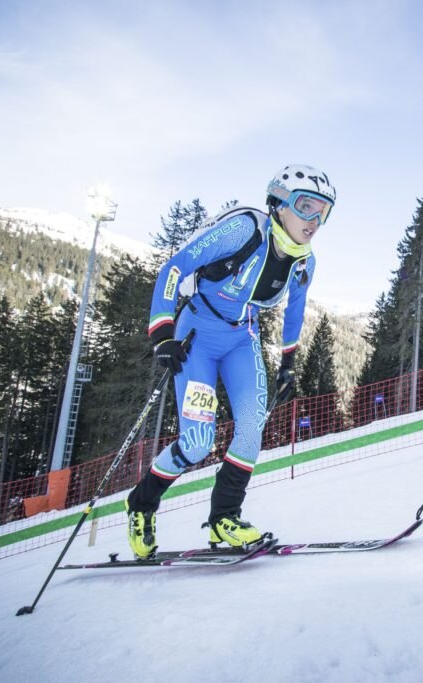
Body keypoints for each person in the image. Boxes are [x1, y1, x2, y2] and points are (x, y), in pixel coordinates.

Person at [125, 164, 336, 558]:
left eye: (323, 211)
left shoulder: (305, 261)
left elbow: (295, 310)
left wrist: (288, 362)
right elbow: (175, 267)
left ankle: (225, 519)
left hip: (243, 338)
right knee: (197, 442)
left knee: (251, 427)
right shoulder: (245, 230)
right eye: (306, 206)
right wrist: (162, 334)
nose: (314, 220)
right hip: (197, 337)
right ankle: (140, 504)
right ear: (279, 203)